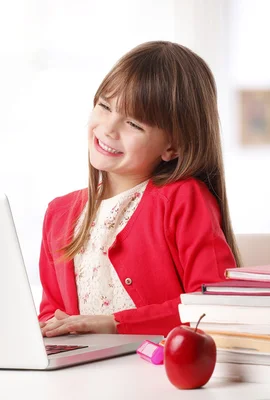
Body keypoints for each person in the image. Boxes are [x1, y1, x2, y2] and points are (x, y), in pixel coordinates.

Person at [38, 41, 240, 337]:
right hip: (81, 377)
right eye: (105, 106)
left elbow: (213, 304)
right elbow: (51, 312)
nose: (108, 128)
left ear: (173, 146)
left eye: (133, 123)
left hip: (156, 374)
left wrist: (114, 324)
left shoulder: (183, 199)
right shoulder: (59, 213)